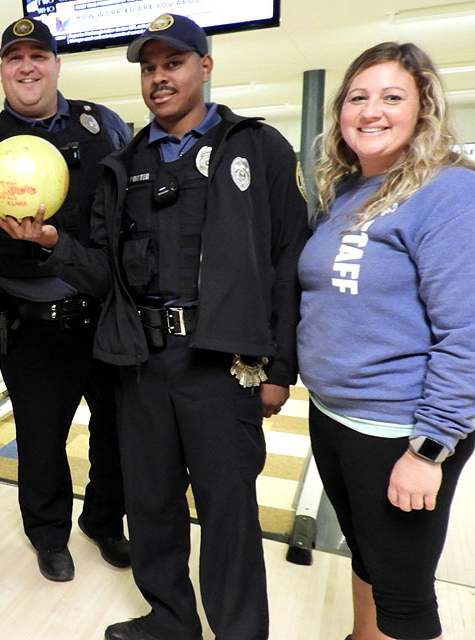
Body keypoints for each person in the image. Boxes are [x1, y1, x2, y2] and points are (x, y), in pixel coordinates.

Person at [0, 14, 310, 639]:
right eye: (149, 68)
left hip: (224, 366)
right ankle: (171, 619)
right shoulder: (124, 164)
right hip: (142, 362)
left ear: (205, 67)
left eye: (173, 64)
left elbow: (287, 263)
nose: (159, 78)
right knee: (152, 504)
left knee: (227, 510)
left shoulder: (258, 148)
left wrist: (280, 368)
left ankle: (240, 630)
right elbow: (104, 272)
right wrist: (51, 242)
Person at [0, 17, 131, 582]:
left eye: (38, 56)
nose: (27, 66)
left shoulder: (105, 125)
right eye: (14, 57)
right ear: (1, 69)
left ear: (56, 64)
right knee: (41, 441)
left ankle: (103, 520)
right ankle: (48, 533)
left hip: (106, 314)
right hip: (32, 321)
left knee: (115, 433)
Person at [299, 42, 475, 640]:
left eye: (392, 97)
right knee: (367, 555)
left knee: (403, 591)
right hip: (335, 414)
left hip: (399, 428)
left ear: (423, 109)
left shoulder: (450, 194)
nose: (372, 111)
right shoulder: (347, 192)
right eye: (359, 97)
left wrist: (428, 452)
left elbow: (468, 333)